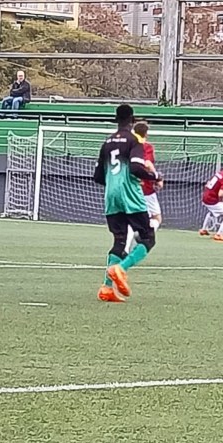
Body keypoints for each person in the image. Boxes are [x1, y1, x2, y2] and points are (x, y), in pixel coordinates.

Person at [94, 104, 163, 303]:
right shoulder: (134, 141)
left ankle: (107, 288)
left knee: (120, 240)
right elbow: (135, 168)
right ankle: (121, 268)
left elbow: (98, 176)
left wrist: (114, 183)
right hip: (130, 195)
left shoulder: (107, 142)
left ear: (116, 120)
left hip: (111, 196)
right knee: (148, 238)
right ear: (132, 120)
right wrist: (155, 176)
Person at [125, 121, 163, 252]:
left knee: (131, 218)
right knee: (156, 217)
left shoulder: (127, 145)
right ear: (146, 133)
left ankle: (126, 247)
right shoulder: (145, 146)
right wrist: (157, 177)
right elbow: (147, 163)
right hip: (145, 188)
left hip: (129, 187)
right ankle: (143, 236)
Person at [199, 161, 223, 242]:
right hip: (212, 200)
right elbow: (220, 194)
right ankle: (219, 234)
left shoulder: (220, 174)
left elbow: (208, 184)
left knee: (212, 212)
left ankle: (204, 229)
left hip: (206, 197)